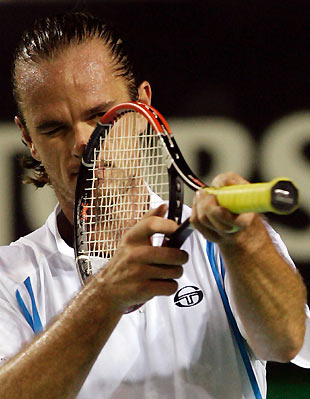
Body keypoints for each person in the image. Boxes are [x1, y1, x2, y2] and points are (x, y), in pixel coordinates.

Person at [0, 11, 308, 399]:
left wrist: (246, 243)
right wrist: (105, 296)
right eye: (52, 128)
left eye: (100, 116)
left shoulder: (224, 249)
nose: (82, 141)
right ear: (27, 137)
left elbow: (286, 342)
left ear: (142, 106)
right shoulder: (9, 279)